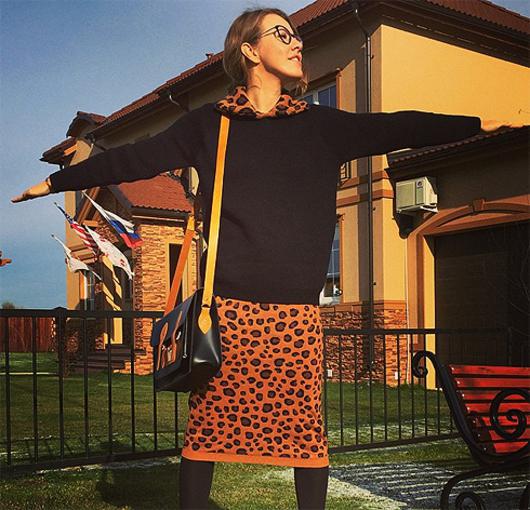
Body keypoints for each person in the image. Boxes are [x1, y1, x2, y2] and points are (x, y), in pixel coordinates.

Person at [11, 6, 526, 510]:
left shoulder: (321, 125)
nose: (297, 42)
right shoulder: (210, 125)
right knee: (205, 435)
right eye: (282, 34)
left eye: (296, 35)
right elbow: (133, 158)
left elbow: (399, 126)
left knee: (307, 439)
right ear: (250, 51)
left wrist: (476, 123)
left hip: (297, 316)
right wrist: (57, 182)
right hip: (226, 314)